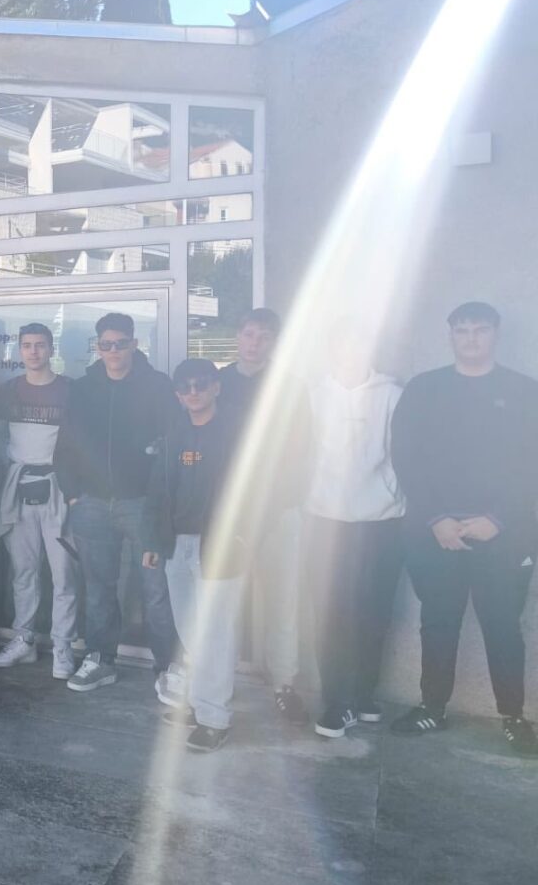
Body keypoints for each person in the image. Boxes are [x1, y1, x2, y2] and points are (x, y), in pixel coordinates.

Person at [390, 302, 538, 757]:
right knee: (438, 623)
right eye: (462, 330)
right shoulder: (424, 389)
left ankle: (513, 716)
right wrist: (437, 518)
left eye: (480, 330)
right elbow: (406, 456)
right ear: (450, 335)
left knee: (503, 627)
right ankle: (432, 707)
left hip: (503, 536)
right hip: (437, 534)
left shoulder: (524, 391)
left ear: (496, 334)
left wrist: (499, 519)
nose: (471, 338)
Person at [55, 312, 180, 697]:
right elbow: (66, 443)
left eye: (120, 344)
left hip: (142, 504)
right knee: (98, 588)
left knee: (156, 590)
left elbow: (172, 445)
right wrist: (72, 493)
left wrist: (161, 500)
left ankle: (169, 666)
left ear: (134, 344)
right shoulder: (82, 388)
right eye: (106, 345)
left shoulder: (157, 386)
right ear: (98, 347)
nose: (113, 351)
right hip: (91, 502)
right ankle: (101, 660)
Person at [306, 326, 405, 739]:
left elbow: (402, 454)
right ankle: (338, 701)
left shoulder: (392, 394)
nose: (350, 351)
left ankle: (364, 694)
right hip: (325, 520)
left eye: (359, 343)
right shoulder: (314, 395)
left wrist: (391, 496)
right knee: (331, 613)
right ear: (332, 348)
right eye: (342, 343)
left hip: (381, 520)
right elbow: (301, 452)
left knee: (374, 611)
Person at [141, 359, 241, 753]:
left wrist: (245, 535)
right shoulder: (174, 434)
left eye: (200, 384)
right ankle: (199, 704)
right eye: (185, 387)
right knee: (189, 628)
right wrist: (153, 541)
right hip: (177, 543)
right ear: (178, 395)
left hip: (219, 543)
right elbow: (157, 489)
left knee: (215, 632)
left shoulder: (237, 433)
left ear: (217, 386)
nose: (193, 392)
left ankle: (215, 718)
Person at [218, 308, 312, 725]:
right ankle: (215, 685)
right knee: (223, 604)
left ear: (275, 343)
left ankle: (284, 685)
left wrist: (279, 500)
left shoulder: (290, 387)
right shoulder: (218, 383)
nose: (254, 343)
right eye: (249, 334)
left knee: (282, 602)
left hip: (278, 510)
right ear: (238, 336)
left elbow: (301, 450)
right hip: (228, 515)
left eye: (264, 337)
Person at [0, 324, 78, 679]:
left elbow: (81, 442)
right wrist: (10, 469)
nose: (34, 351)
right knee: (23, 571)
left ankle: (63, 646)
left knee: (63, 575)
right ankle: (24, 639)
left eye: (40, 345)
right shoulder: (8, 391)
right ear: (19, 350)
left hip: (58, 489)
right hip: (19, 488)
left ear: (50, 349)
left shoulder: (69, 390)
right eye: (27, 345)